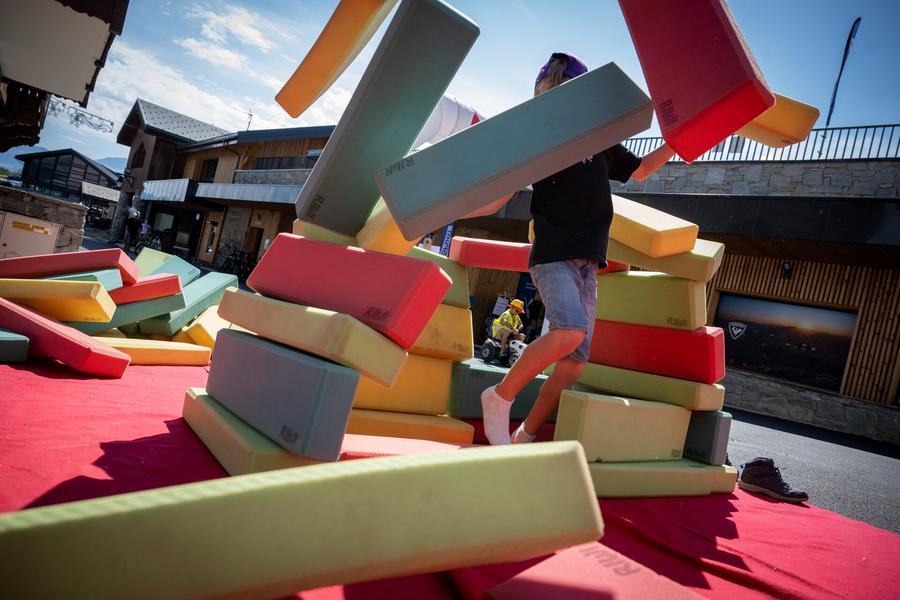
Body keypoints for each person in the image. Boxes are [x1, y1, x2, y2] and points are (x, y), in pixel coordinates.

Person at [480, 52, 676, 445]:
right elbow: (500, 183)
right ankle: (498, 397)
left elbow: (641, 170)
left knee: (572, 365)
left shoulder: (601, 142)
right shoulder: (543, 137)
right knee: (568, 331)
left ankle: (525, 436)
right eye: (554, 91)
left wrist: (677, 142)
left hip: (589, 261)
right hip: (554, 254)